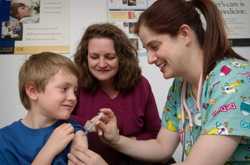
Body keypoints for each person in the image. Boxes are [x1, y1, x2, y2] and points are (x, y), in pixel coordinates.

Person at [95, 0, 250, 165]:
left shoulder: (235, 79)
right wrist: (116, 140)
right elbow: (162, 147)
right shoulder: (180, 87)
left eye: (154, 46)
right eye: (147, 50)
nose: (150, 59)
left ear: (185, 34)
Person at [70, 23, 175, 165]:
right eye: (94, 57)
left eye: (109, 57)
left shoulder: (140, 85)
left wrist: (120, 139)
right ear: (85, 57)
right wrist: (86, 126)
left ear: (122, 57)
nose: (101, 64)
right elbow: (59, 123)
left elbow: (156, 134)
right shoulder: (75, 85)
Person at [0, 52, 88, 165]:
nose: (73, 98)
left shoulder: (71, 128)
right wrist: (49, 150)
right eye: (64, 89)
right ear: (33, 91)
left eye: (75, 91)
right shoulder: (5, 140)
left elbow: (78, 131)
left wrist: (80, 138)